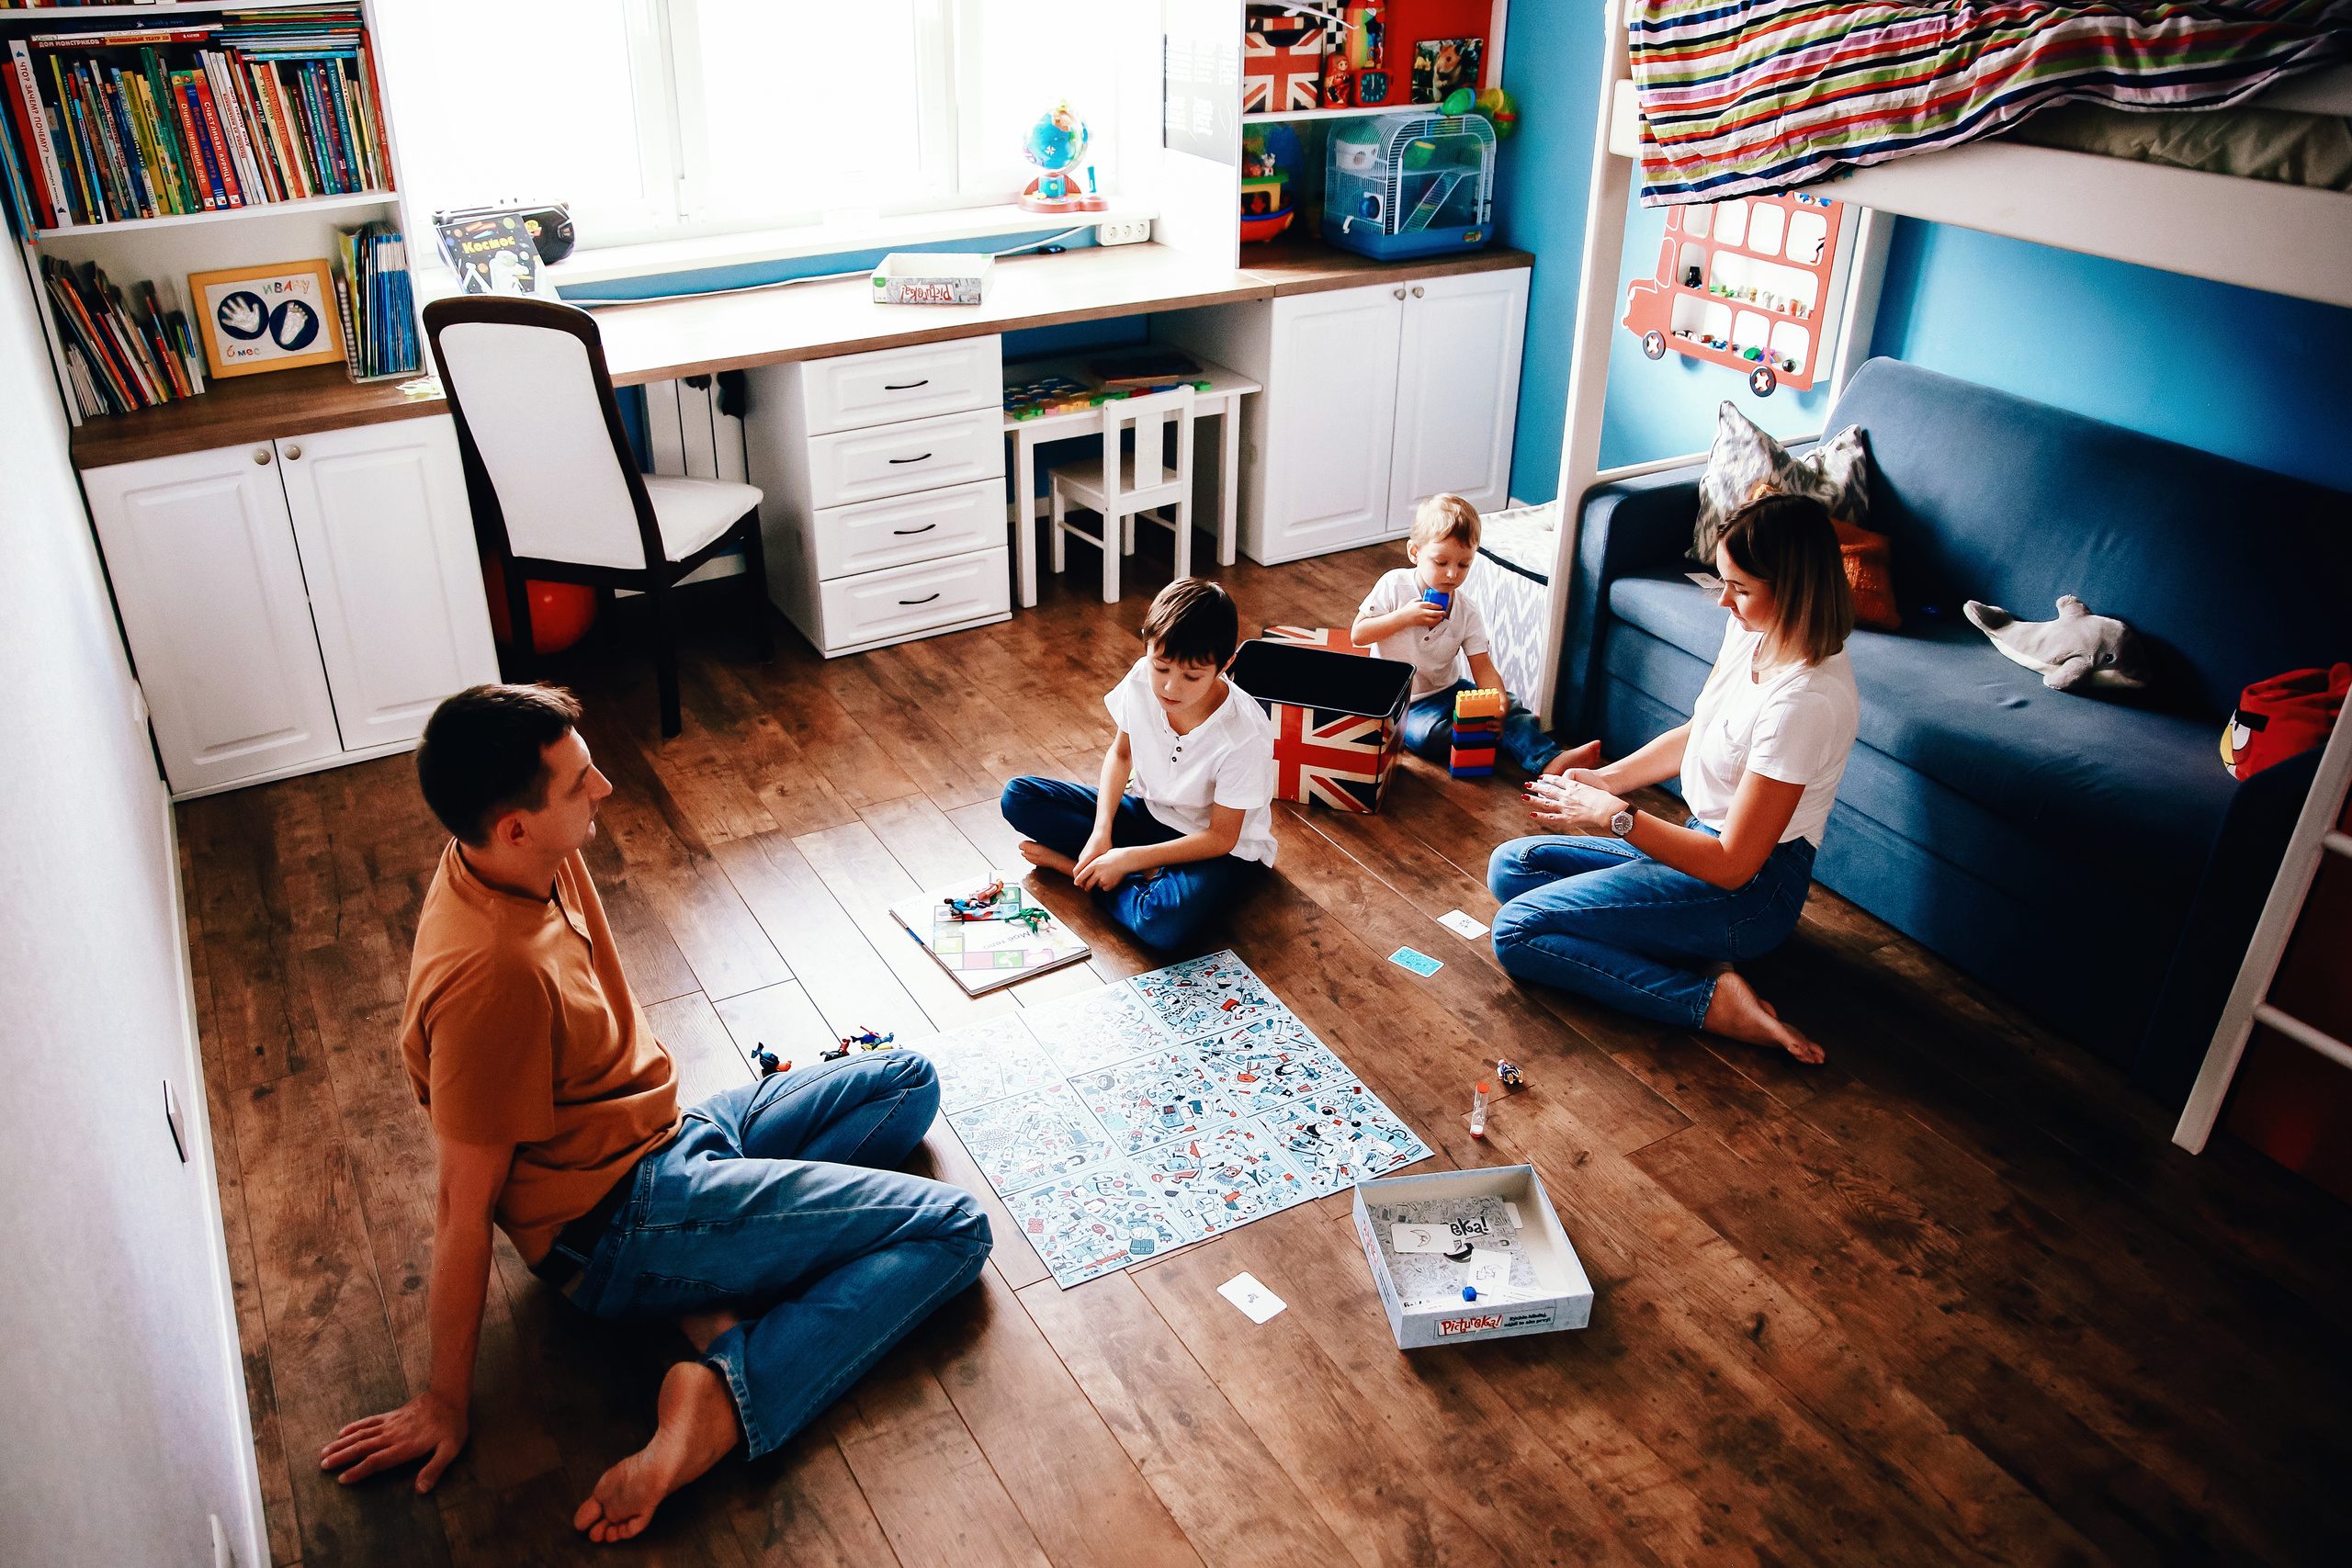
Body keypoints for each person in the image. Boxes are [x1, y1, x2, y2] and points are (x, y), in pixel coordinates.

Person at [320, 684, 990, 1542]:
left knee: (908, 1081)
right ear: (515, 826)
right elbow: (461, 1204)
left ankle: (722, 1288)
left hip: (670, 1134)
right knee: (955, 1230)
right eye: (580, 783)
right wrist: (442, 1400)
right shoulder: (493, 977)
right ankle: (723, 1395)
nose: (602, 788)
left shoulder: (514, 851)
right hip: (619, 1220)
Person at [1487, 493, 1860, 1063]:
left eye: (1740, 588)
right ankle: (1699, 951)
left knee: (1517, 933)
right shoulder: (1754, 632)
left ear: (1793, 591)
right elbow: (1701, 729)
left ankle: (1710, 1004)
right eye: (1723, 581)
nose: (1723, 602)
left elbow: (1734, 865)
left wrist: (1614, 817)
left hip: (1750, 891)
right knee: (1513, 866)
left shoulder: (1805, 701)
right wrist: (1606, 779)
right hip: (1695, 845)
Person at [1002, 578, 1276, 951]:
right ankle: (1119, 869)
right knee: (1019, 796)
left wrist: (1127, 858)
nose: (1170, 688)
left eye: (1192, 676)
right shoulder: (1139, 680)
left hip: (1217, 849)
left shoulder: (1244, 734)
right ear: (1148, 645)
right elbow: (1121, 755)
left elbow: (1222, 836)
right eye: (1160, 667)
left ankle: (1076, 869)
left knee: (1160, 924)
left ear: (1225, 665)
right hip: (1150, 814)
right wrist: (1102, 831)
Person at [1351, 492, 1600, 778]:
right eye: (1441, 562)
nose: (1451, 575)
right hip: (1405, 702)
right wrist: (1403, 617)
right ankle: (1496, 734)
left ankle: (1548, 759)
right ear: (1415, 553)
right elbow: (1359, 634)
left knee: (1508, 706)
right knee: (1427, 736)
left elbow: (1482, 666)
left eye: (1463, 565)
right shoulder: (1394, 585)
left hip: (1449, 688)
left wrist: (1497, 701)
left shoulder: (1467, 611)